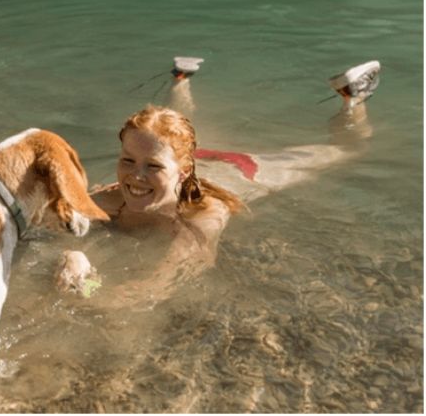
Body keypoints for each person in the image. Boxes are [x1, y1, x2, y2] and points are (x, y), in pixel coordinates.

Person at [56, 59, 381, 304]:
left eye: (149, 167)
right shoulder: (115, 197)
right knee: (178, 128)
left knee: (346, 148)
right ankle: (181, 78)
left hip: (243, 171)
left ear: (183, 173)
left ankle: (354, 98)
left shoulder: (198, 222)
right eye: (127, 161)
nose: (134, 176)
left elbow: (138, 295)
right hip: (183, 155)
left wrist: (86, 282)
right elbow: (45, 222)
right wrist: (70, 254)